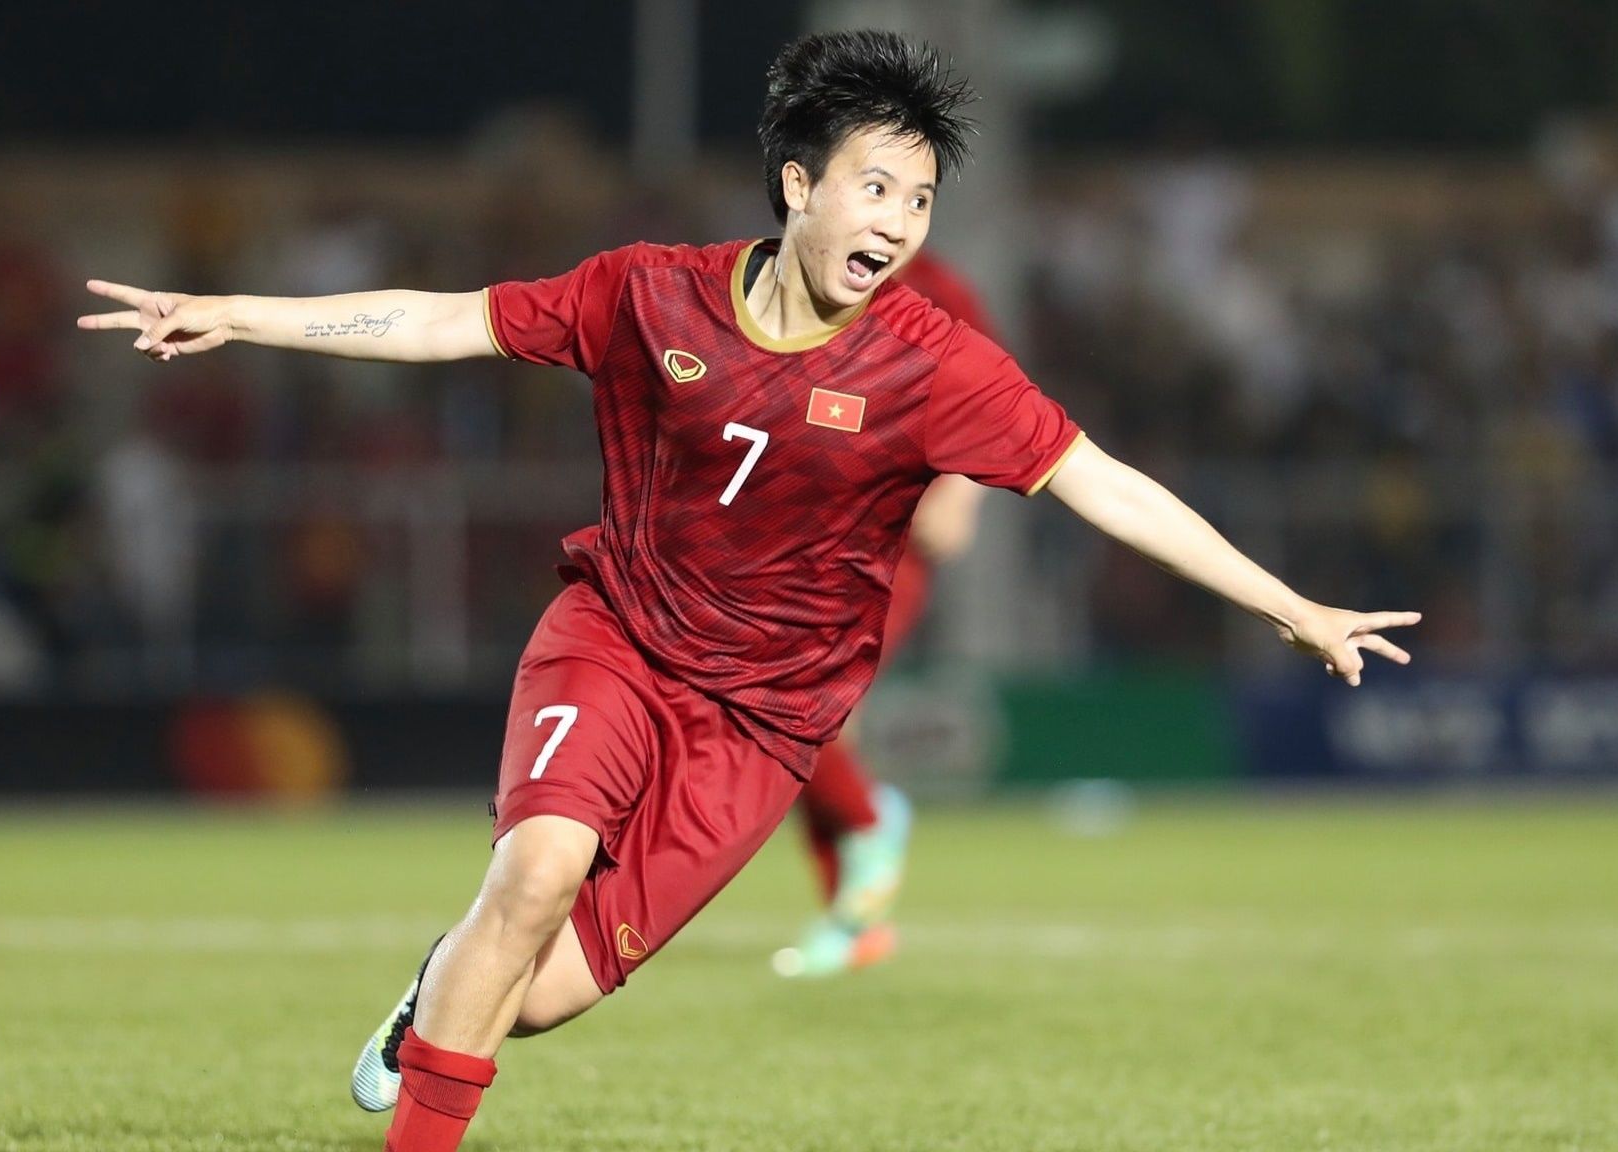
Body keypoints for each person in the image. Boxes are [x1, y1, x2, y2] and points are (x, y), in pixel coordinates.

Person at [79, 30, 1417, 1151]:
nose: (896, 224)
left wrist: (1289, 606)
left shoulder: (933, 364)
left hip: (765, 723)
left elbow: (1101, 483)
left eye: (920, 203)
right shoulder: (648, 296)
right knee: (536, 871)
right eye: (876, 189)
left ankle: (443, 984)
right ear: (797, 185)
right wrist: (241, 313)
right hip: (615, 639)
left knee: (532, 996)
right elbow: (447, 318)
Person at [772, 250, 994, 980]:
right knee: (804, 727)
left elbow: (990, 394)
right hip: (801, 533)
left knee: (805, 710)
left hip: (890, 540)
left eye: (913, 199)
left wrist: (961, 488)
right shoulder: (786, 275)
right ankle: (855, 921)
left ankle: (869, 825)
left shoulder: (937, 287)